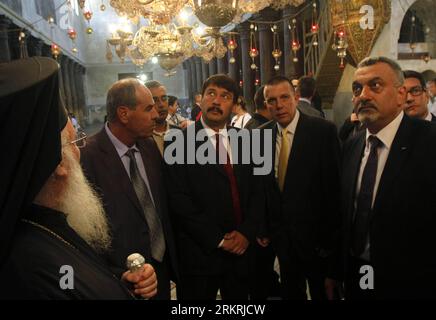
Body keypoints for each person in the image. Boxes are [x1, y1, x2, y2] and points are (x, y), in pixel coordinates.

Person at [0, 57, 157, 299]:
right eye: (74, 142)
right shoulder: (30, 267)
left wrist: (120, 281)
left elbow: (82, 276)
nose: (79, 150)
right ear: (58, 164)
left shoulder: (47, 227)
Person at [342, 56, 436, 299]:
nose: (363, 95)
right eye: (357, 89)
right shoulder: (352, 146)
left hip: (413, 281)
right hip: (358, 273)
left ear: (400, 94)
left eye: (375, 85)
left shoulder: (429, 141)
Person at [164, 74, 264, 300]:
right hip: (199, 253)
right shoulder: (177, 141)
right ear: (201, 100)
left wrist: (246, 233)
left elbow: (259, 192)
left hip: (241, 252)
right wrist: (219, 240)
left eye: (225, 96)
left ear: (234, 104)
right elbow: (178, 200)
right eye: (211, 94)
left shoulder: (249, 140)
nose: (216, 101)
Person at [80, 78, 178, 300]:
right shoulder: (87, 157)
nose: (156, 114)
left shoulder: (149, 144)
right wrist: (118, 275)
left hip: (160, 269)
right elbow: (88, 233)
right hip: (123, 280)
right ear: (124, 114)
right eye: (148, 108)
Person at [260, 76, 342, 300]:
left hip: (317, 241)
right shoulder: (259, 136)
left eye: (284, 97)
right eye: (271, 100)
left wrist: (331, 243)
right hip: (281, 240)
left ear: (296, 97)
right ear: (266, 104)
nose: (279, 105)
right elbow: (260, 188)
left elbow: (334, 191)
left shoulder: (323, 132)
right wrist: (264, 227)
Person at [145, 81, 181, 156]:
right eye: (155, 100)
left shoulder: (181, 133)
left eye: (164, 98)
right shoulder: (140, 138)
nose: (161, 105)